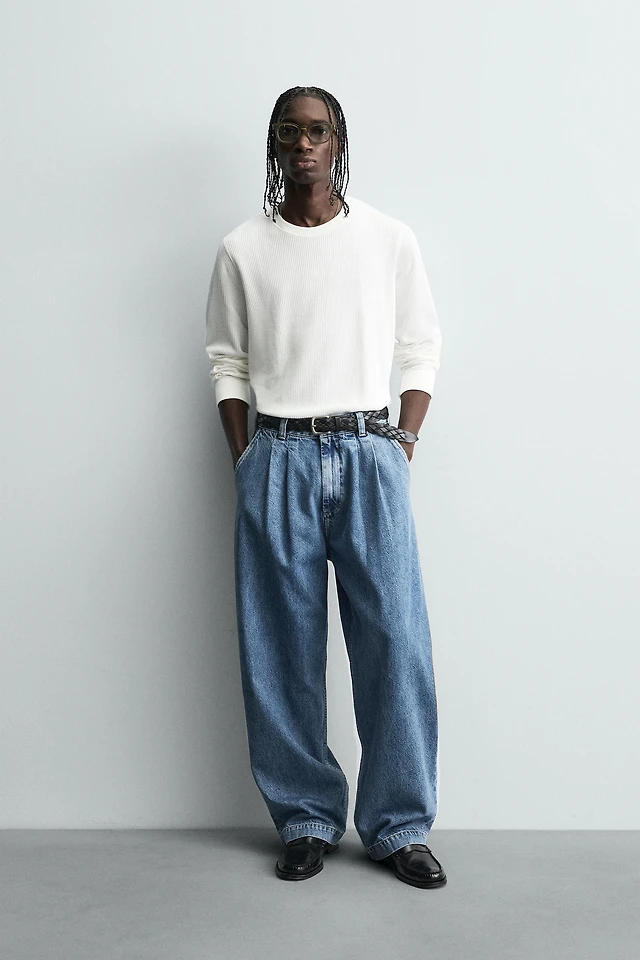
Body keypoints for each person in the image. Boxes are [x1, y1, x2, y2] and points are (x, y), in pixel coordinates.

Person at [204, 85, 446, 889]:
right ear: (274, 144)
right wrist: (245, 458)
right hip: (277, 453)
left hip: (370, 451)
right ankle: (306, 817)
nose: (303, 143)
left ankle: (398, 825)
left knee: (395, 644)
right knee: (280, 649)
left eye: (317, 130)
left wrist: (402, 441)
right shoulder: (243, 249)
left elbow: (420, 347)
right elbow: (227, 362)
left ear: (339, 140)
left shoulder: (388, 239)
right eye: (289, 131)